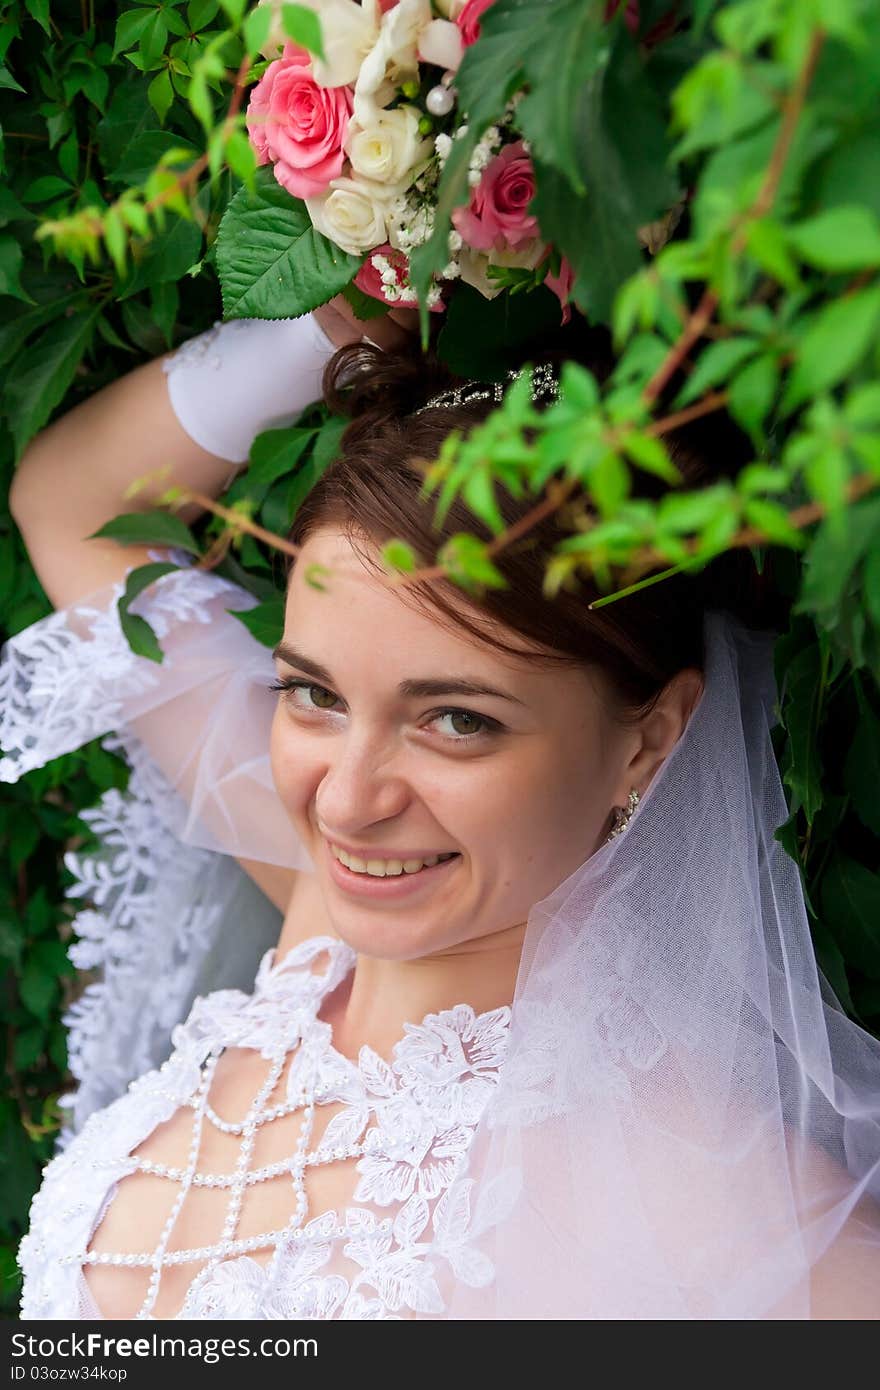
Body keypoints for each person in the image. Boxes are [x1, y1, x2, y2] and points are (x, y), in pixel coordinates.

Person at [3, 301, 880, 1320]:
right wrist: (330, 320)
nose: (345, 800)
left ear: (647, 737)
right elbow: (72, 502)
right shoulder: (319, 934)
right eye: (313, 695)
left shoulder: (717, 1203)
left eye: (456, 720)